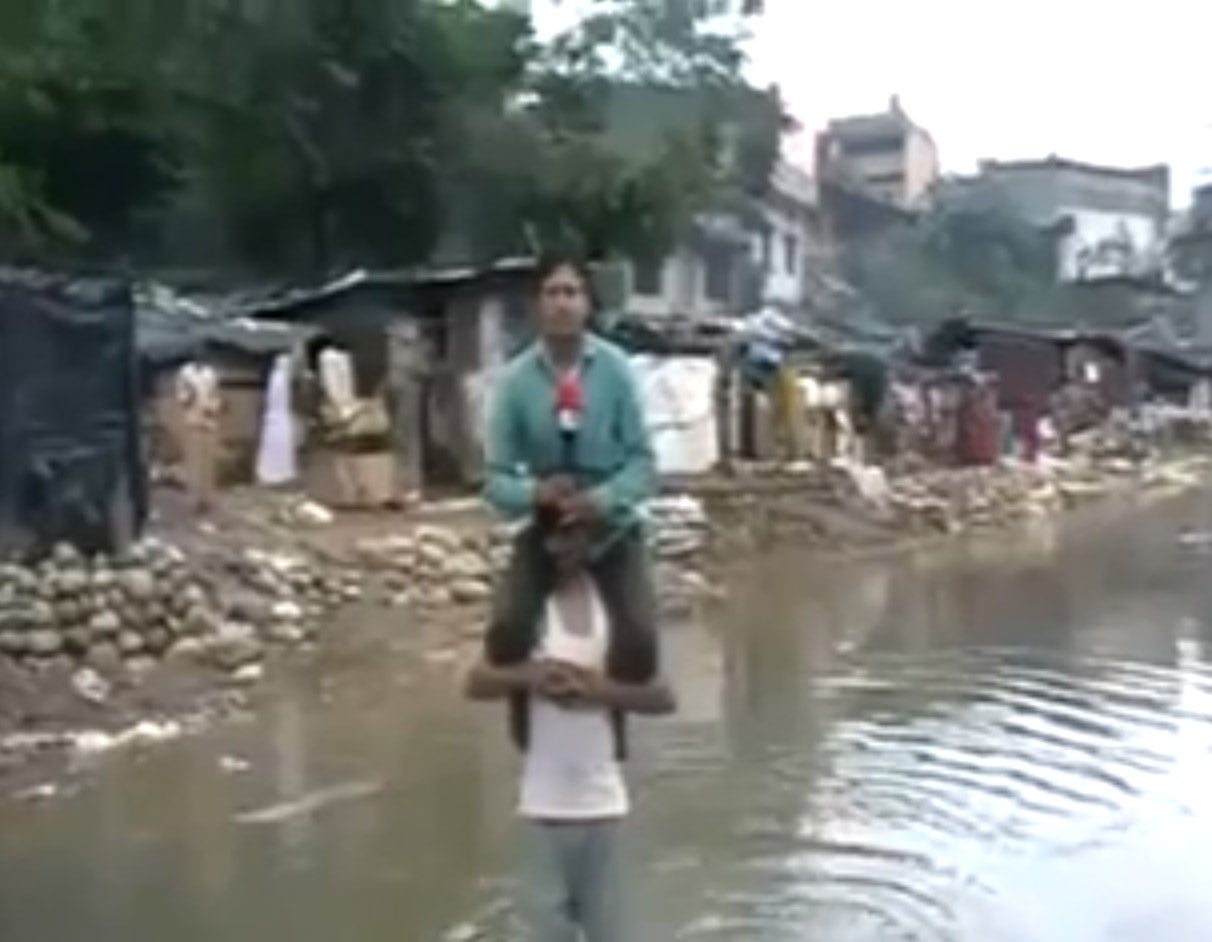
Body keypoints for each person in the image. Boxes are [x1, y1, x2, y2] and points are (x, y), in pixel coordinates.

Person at [482, 253, 662, 759]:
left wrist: (602, 500)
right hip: (546, 524)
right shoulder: (516, 382)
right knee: (508, 625)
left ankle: (616, 715)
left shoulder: (617, 371)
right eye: (552, 293)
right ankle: (521, 704)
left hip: (611, 525)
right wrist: (533, 494)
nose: (562, 304)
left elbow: (644, 463)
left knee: (641, 634)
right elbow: (494, 478)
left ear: (588, 304)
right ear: (538, 305)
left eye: (572, 293)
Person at [466, 523, 675, 941]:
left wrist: (597, 690)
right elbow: (475, 682)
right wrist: (534, 678)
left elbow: (663, 697)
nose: (566, 547)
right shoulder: (525, 613)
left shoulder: (617, 611)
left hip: (606, 808)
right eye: (556, 536)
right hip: (539, 808)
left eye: (578, 535)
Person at [176, 356, 222, 514]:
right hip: (192, 421)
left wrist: (213, 407)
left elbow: (216, 394)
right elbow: (181, 398)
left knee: (208, 462)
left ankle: (207, 499)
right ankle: (193, 500)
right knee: (194, 461)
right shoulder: (185, 373)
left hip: (209, 421)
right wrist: (190, 395)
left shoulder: (211, 373)